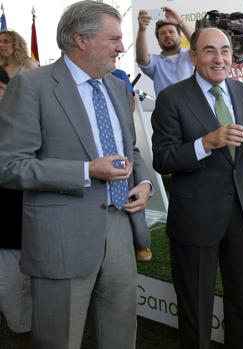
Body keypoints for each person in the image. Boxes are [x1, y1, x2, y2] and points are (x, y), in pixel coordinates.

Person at [0, 1, 152, 348]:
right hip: (62, 240)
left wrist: (142, 184)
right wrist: (86, 171)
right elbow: (8, 165)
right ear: (80, 39)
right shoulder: (32, 86)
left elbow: (133, 152)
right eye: (113, 38)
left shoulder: (116, 86)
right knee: (59, 340)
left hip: (120, 232)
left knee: (119, 336)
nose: (121, 46)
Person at [151, 27, 243, 349]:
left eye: (224, 51)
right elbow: (162, 158)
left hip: (240, 217)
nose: (219, 59)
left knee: (242, 305)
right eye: (209, 51)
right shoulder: (171, 98)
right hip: (195, 219)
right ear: (193, 57)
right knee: (196, 310)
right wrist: (206, 143)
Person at [0, 66, 30, 349]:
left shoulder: (27, 120)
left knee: (25, 296)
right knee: (12, 294)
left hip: (25, 228)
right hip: (7, 234)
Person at [111, 68, 153, 262]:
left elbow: (133, 151)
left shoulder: (118, 76)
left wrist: (146, 183)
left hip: (124, 201)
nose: (119, 47)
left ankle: (140, 243)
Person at [136, 6, 194, 96]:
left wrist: (180, 21)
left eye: (171, 32)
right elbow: (142, 59)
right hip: (166, 109)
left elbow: (200, 44)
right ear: (158, 40)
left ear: (180, 36)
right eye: (162, 33)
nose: (167, 35)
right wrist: (142, 30)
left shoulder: (191, 55)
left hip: (192, 108)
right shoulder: (155, 62)